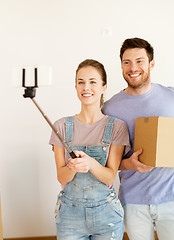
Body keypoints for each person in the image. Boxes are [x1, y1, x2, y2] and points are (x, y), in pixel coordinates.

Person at [103, 38, 174, 240]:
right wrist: (129, 164)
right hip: (133, 201)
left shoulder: (172, 96)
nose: (133, 68)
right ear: (121, 65)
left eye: (139, 61)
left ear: (151, 64)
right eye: (127, 62)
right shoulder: (111, 108)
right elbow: (106, 162)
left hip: (171, 197)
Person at [49, 59, 130, 240]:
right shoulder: (60, 127)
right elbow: (61, 177)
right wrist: (72, 166)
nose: (86, 87)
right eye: (81, 82)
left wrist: (90, 163)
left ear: (103, 87)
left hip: (107, 215)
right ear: (76, 87)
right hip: (69, 216)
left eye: (93, 82)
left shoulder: (117, 127)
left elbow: (110, 176)